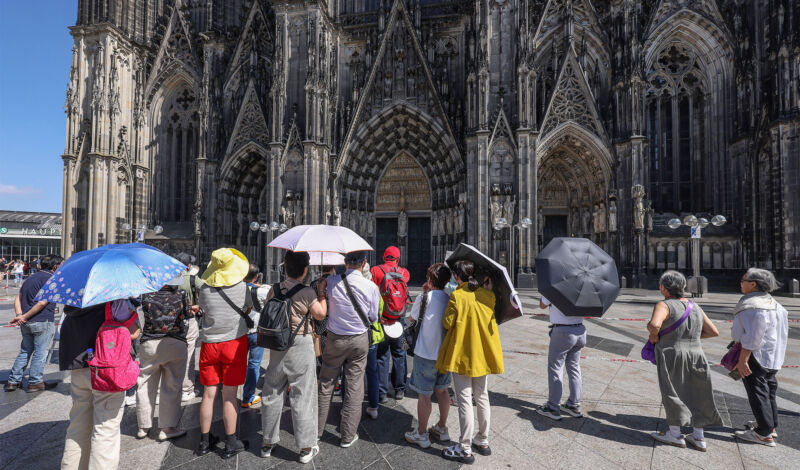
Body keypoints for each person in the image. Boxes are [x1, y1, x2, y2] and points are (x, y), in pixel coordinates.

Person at [260, 251, 326, 464]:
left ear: (286, 268)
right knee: (302, 394)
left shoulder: (274, 288)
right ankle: (306, 447)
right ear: (305, 270)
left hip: (278, 344)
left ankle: (267, 443)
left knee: (272, 391)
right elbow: (320, 314)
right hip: (300, 342)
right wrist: (321, 294)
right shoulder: (307, 291)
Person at [59, 299, 140, 469]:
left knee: (78, 423)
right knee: (105, 427)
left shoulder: (73, 301)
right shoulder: (115, 301)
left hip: (79, 367)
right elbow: (133, 333)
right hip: (106, 369)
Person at [437, 260, 503, 464]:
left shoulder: (457, 296)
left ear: (458, 277)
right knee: (482, 396)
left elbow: (447, 323)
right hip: (481, 355)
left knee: (465, 399)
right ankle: (482, 440)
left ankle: (465, 448)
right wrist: (487, 290)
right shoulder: (488, 295)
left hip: (463, 355)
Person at [648, 271, 721, 451]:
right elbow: (713, 331)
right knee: (699, 393)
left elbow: (655, 325)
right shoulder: (694, 306)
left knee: (672, 390)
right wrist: (690, 338)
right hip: (696, 353)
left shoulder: (664, 305)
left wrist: (654, 335)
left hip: (672, 353)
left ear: (663, 287)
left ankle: (675, 434)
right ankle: (698, 436)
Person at [316, 251, 380, 448]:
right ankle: (347, 436)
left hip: (335, 339)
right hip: (359, 340)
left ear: (345, 262)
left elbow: (322, 302)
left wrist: (322, 289)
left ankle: (315, 432)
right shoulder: (371, 286)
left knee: (326, 383)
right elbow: (373, 317)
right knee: (354, 386)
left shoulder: (331, 281)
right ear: (364, 263)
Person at [196, 248, 253, 458]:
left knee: (208, 394)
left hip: (210, 345)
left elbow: (203, 310)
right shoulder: (242, 287)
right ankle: (230, 443)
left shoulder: (204, 288)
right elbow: (248, 308)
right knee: (229, 395)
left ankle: (204, 442)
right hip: (234, 344)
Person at [732, 268, 789, 447]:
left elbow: (749, 337)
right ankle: (770, 425)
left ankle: (763, 433)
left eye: (743, 280)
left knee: (757, 391)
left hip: (755, 354)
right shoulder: (776, 304)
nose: (740, 283)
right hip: (774, 355)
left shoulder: (751, 305)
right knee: (769, 390)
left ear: (753, 284)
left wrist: (743, 360)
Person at [135, 276, 191, 441]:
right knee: (172, 385)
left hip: (149, 343)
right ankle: (167, 428)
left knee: (145, 383)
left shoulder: (145, 295)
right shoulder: (181, 294)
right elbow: (187, 315)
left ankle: (143, 426)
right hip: (175, 342)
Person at [404, 263, 453, 449]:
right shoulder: (451, 298)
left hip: (425, 353)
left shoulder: (424, 297)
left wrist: (425, 294)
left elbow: (412, 318)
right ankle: (442, 428)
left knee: (424, 395)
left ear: (430, 279)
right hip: (444, 354)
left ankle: (422, 434)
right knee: (443, 391)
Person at [6, 254, 63, 392]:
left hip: (27, 323)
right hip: (42, 321)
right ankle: (35, 382)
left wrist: (20, 315)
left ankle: (13, 381)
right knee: (40, 352)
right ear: (55, 266)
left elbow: (18, 298)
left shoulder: (31, 278)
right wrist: (24, 316)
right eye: (61, 265)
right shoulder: (51, 279)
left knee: (25, 351)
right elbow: (42, 303)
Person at [536, 294, 586, 420]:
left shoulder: (556, 288)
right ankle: (573, 405)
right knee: (574, 368)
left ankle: (553, 407)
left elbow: (542, 305)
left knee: (555, 368)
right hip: (580, 330)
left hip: (563, 332)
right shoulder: (583, 290)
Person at [370, 246, 411, 402]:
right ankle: (400, 389)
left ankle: (382, 392)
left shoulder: (376, 271)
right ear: (398, 259)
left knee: (382, 355)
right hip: (399, 320)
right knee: (400, 353)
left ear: (383, 257)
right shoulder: (404, 273)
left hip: (382, 319)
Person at [177, 253, 205, 402]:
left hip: (169, 320)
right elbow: (206, 289)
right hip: (188, 318)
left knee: (170, 353)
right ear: (188, 265)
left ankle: (169, 387)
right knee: (189, 353)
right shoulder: (192, 278)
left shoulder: (167, 277)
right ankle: (186, 389)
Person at [242, 264, 270, 408]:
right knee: (254, 364)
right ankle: (248, 397)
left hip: (239, 333)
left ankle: (228, 393)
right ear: (256, 276)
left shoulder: (235, 290)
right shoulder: (261, 291)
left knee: (237, 364)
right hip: (255, 332)